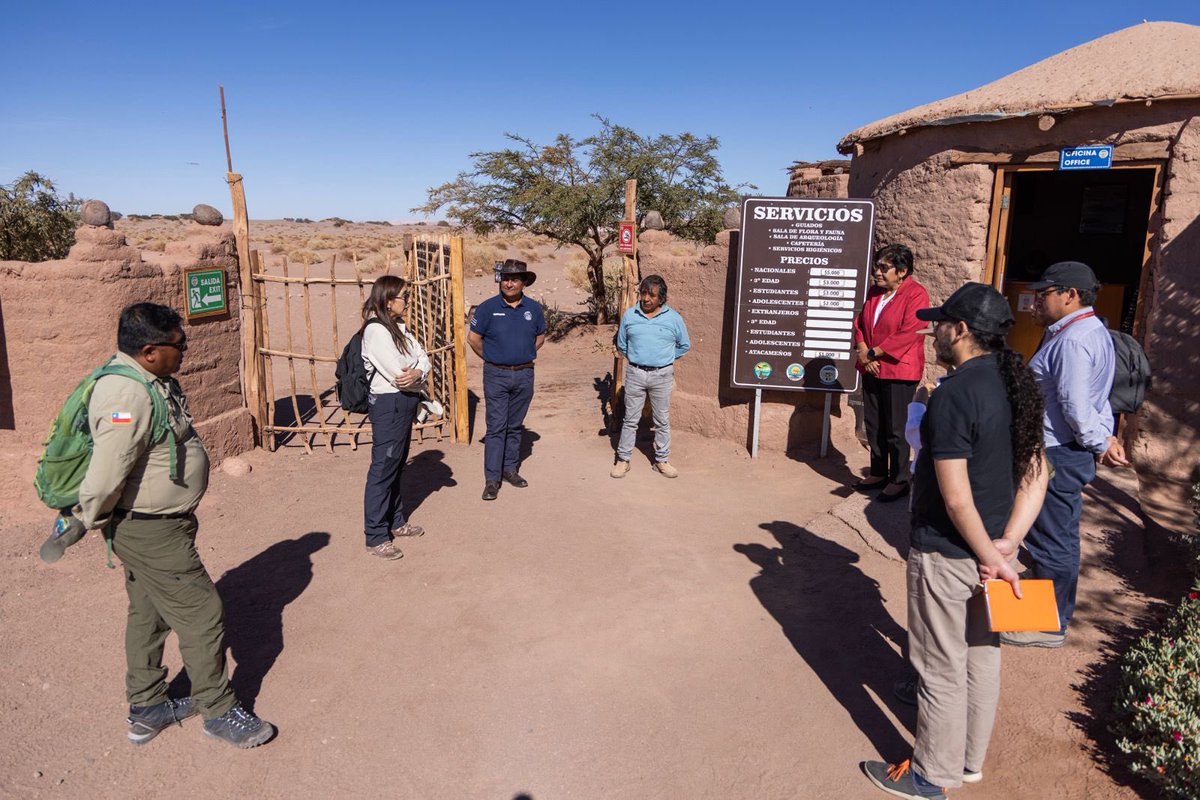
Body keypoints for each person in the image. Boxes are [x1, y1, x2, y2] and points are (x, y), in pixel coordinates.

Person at [42, 303, 274, 748]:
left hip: (157, 524)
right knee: (203, 613)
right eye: (178, 345)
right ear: (149, 351)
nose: (186, 350)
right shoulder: (125, 397)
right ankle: (219, 710)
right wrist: (82, 518)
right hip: (150, 529)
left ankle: (147, 706)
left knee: (148, 613)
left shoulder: (151, 380)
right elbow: (108, 471)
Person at [861, 283, 1048, 799]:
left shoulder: (952, 395)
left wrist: (993, 558)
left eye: (940, 322)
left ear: (961, 331)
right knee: (982, 658)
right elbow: (1037, 473)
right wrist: (1007, 544)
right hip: (993, 552)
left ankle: (930, 776)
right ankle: (968, 762)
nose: (932, 329)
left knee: (940, 667)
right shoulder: (1017, 383)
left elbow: (956, 498)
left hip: (948, 553)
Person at [1002, 261, 1128, 648]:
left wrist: (1098, 441)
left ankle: (1047, 624)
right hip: (1063, 450)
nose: (1036, 302)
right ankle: (1042, 610)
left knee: (1052, 540)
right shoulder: (1089, 330)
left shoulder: (1073, 340)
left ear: (1070, 296)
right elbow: (1096, 399)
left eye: (1045, 294)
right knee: (1052, 536)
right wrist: (1103, 436)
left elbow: (1075, 407)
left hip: (1057, 453)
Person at [360, 275, 432, 560]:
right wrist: (417, 372)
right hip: (389, 404)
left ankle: (396, 521)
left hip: (403, 402)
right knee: (383, 467)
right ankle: (376, 535)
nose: (408, 302)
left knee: (397, 464)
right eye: (405, 297)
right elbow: (399, 374)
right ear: (389, 300)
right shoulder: (376, 332)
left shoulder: (400, 329)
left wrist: (419, 371)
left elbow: (423, 359)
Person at [853, 244, 930, 502]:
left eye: (884, 268)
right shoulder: (875, 292)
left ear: (902, 271)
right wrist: (863, 350)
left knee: (897, 429)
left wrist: (873, 353)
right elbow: (860, 322)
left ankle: (899, 478)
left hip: (899, 370)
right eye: (877, 266)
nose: (877, 272)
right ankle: (877, 472)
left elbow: (910, 331)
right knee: (874, 424)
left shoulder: (916, 294)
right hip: (871, 367)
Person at [468, 259, 546, 501]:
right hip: (496, 375)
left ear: (524, 283)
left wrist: (521, 357)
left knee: (515, 426)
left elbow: (540, 337)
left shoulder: (533, 309)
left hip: (524, 374)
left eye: (514, 279)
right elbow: (474, 339)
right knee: (496, 427)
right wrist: (495, 358)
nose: (509, 283)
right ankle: (492, 479)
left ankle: (510, 470)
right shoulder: (487, 308)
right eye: (505, 278)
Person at [611, 275, 691, 479]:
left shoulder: (674, 318)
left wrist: (663, 358)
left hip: (662, 375)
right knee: (630, 419)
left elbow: (684, 345)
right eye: (643, 293)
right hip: (635, 373)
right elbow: (622, 344)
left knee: (662, 420)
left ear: (661, 298)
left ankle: (662, 460)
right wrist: (638, 359)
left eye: (651, 295)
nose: (645, 299)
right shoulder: (630, 316)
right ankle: (623, 460)